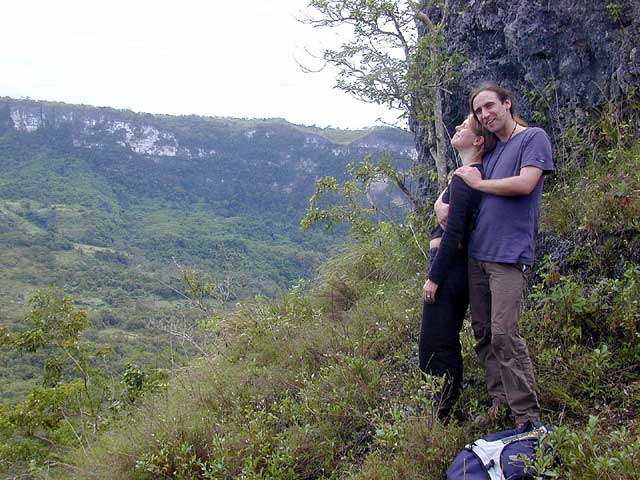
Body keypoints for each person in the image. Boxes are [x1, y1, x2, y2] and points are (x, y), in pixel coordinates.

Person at [450, 82, 554, 426]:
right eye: (479, 111)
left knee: (504, 334)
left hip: (509, 256)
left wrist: (479, 185)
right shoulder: (491, 151)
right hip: (478, 255)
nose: (485, 115)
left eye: (490, 106)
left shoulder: (532, 138)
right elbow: (461, 182)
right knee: (483, 333)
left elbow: (526, 183)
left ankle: (527, 416)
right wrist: (441, 203)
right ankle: (499, 403)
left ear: (507, 104)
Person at [419, 114, 496, 419]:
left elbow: (454, 233)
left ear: (479, 140)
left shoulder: (468, 176)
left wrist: (434, 277)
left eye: (464, 127)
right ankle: (444, 409)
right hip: (451, 268)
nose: (457, 128)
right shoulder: (466, 175)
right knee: (440, 339)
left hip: (448, 269)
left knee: (435, 344)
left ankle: (445, 411)